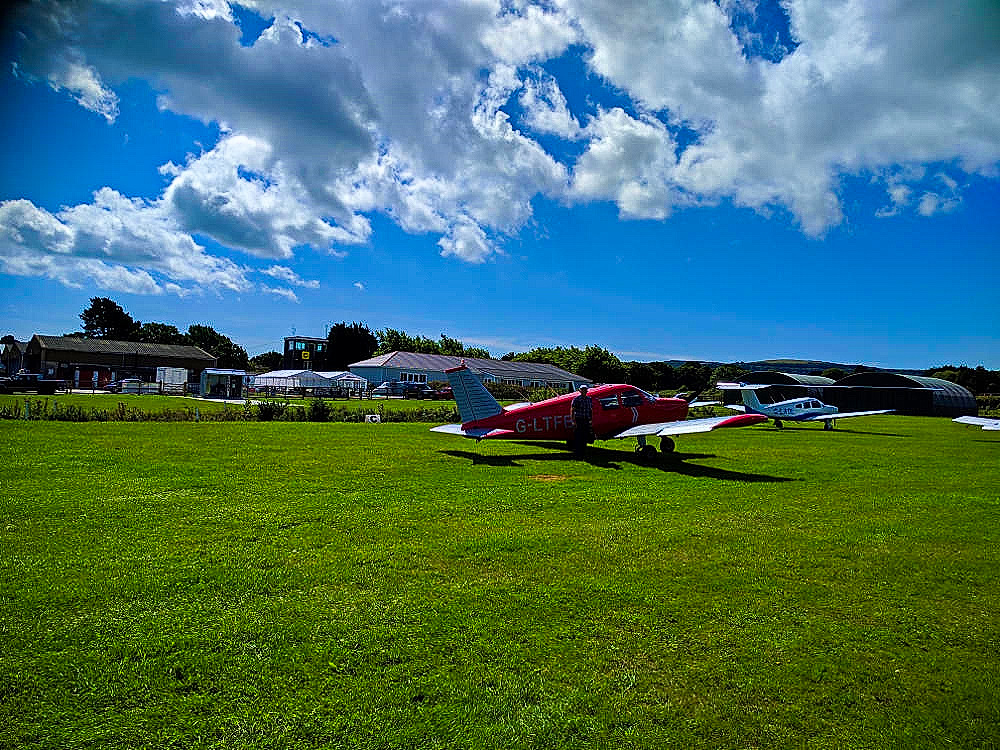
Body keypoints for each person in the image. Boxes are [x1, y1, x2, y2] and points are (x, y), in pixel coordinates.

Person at [571, 384, 593, 454]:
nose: (584, 391)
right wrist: (574, 421)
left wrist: (590, 419)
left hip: (586, 420)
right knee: (578, 436)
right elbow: (572, 410)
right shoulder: (576, 399)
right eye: (582, 390)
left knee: (585, 436)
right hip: (579, 419)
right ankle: (578, 451)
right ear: (580, 391)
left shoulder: (589, 399)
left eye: (585, 390)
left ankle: (583, 450)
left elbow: (590, 410)